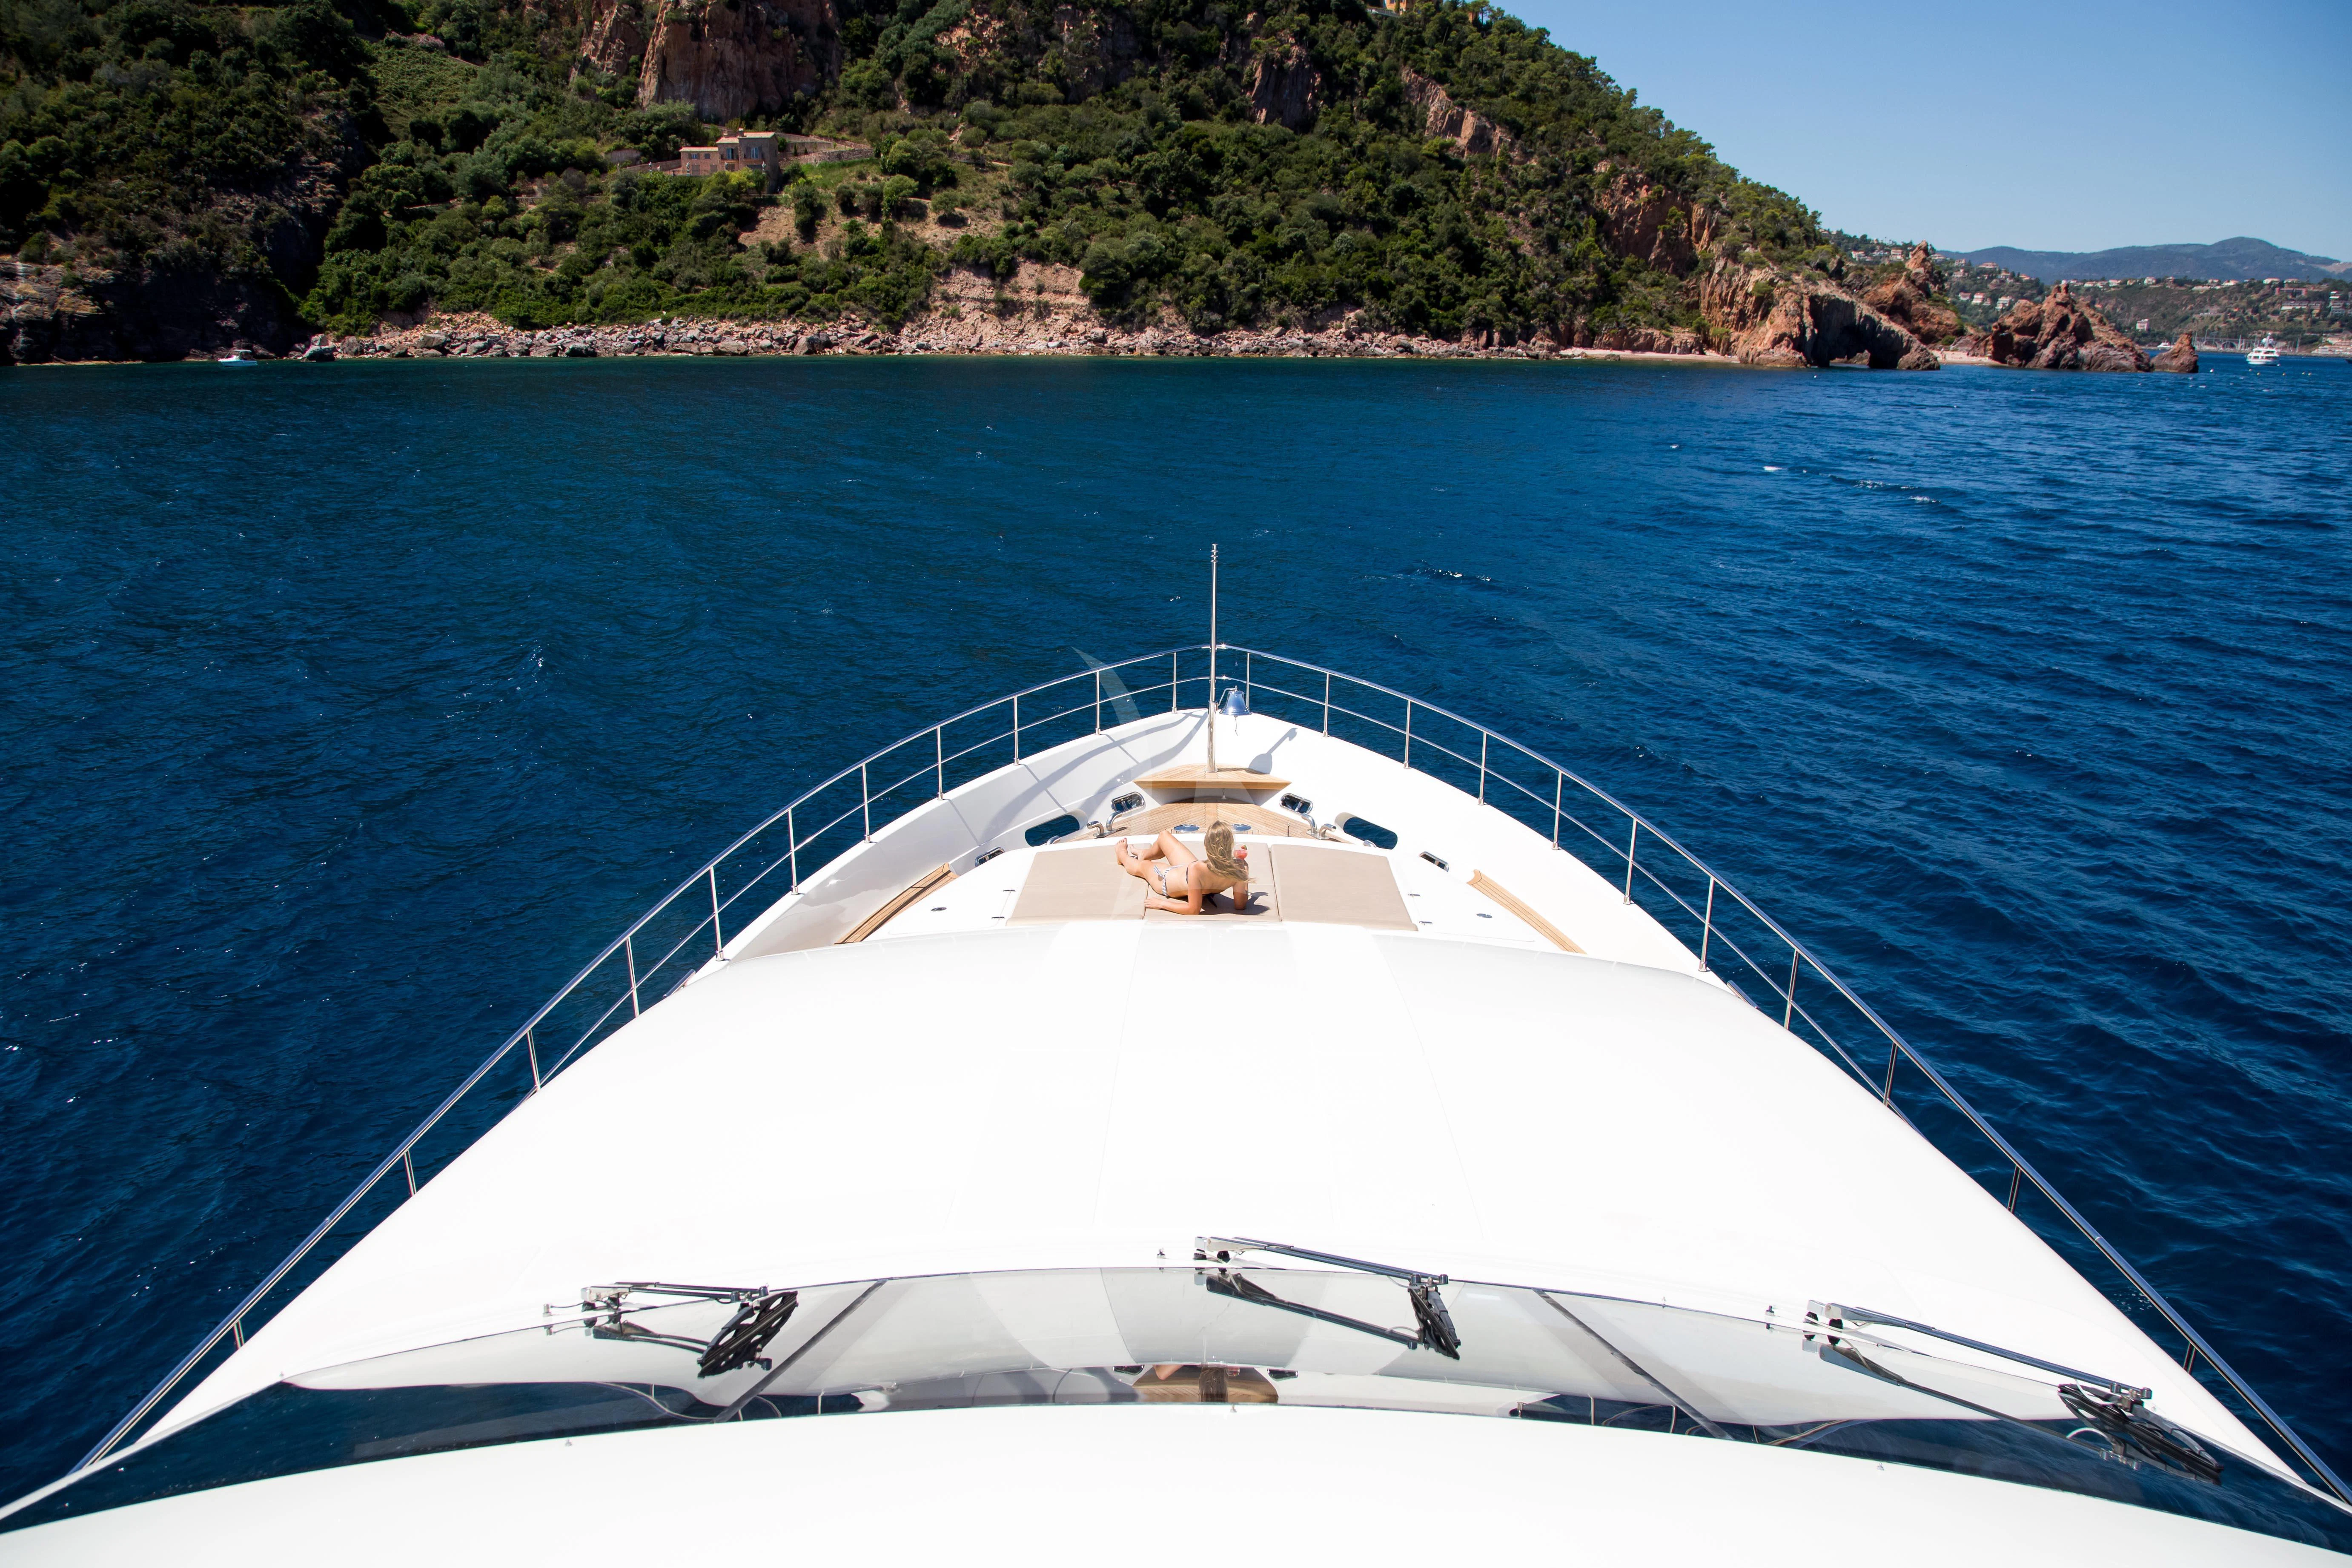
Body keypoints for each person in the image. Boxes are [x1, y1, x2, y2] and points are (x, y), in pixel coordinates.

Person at [1112, 822, 1251, 914]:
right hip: (1190, 873)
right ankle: (1144, 854)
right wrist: (1244, 874)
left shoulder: (1197, 869)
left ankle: (1122, 856)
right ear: (1230, 846)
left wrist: (1161, 904)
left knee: (1143, 867)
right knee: (1164, 836)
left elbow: (1193, 910)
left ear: (1207, 847)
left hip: (1167, 880)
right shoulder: (1240, 867)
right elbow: (1240, 905)